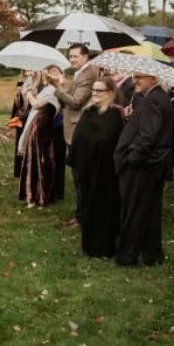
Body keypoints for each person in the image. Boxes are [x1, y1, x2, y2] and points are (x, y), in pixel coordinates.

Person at [113, 71, 174, 267]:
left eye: (140, 77)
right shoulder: (154, 98)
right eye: (134, 77)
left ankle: (129, 256)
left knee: (135, 211)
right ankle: (151, 255)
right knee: (149, 211)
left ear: (153, 79)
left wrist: (132, 158)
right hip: (151, 165)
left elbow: (148, 137)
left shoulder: (153, 100)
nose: (134, 81)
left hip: (143, 166)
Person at [68, 75, 124, 258]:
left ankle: (105, 246)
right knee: (88, 206)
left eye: (99, 90)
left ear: (110, 92)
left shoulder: (115, 114)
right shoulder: (89, 111)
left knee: (106, 208)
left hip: (106, 171)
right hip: (87, 168)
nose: (95, 93)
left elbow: (111, 141)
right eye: (93, 90)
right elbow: (79, 137)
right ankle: (90, 246)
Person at [45, 43, 100, 227]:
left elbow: (75, 102)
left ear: (85, 56)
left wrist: (56, 87)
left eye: (75, 56)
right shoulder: (80, 73)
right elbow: (69, 97)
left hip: (80, 131)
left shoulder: (88, 74)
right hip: (73, 129)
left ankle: (84, 217)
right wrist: (60, 85)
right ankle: (80, 214)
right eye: (70, 56)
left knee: (82, 177)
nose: (72, 59)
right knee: (78, 177)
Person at [19, 65, 63, 208]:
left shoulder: (55, 91)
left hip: (42, 128)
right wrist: (31, 91)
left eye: (56, 72)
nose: (51, 74)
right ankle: (33, 194)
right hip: (38, 126)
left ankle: (40, 195)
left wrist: (30, 95)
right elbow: (32, 105)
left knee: (41, 161)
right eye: (50, 72)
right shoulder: (47, 89)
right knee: (35, 160)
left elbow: (37, 104)